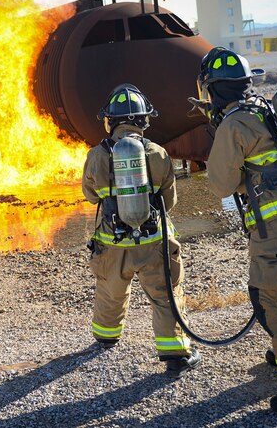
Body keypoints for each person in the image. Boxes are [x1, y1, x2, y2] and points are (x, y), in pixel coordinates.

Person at [193, 47, 277, 411]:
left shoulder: (234, 124)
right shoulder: (267, 108)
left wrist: (219, 137)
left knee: (276, 297)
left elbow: (221, 184)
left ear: (213, 89)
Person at [82, 83, 200, 378]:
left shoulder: (96, 155)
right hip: (152, 242)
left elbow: (91, 196)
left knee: (110, 290)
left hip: (112, 243)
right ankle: (175, 355)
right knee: (164, 294)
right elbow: (169, 200)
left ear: (110, 121)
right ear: (145, 120)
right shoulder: (158, 153)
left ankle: (106, 335)